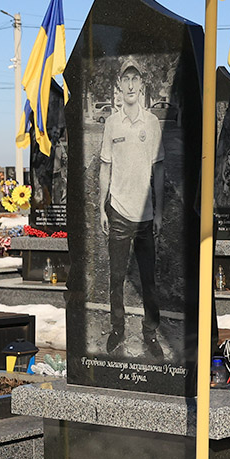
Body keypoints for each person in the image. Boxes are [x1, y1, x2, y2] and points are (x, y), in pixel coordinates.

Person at [98, 58, 164, 361]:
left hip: (146, 213)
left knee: (148, 279)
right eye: (125, 79)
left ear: (142, 85)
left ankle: (150, 333)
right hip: (118, 211)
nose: (130, 85)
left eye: (135, 79)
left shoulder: (151, 123)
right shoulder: (112, 123)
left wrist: (160, 211)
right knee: (116, 277)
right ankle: (117, 329)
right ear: (118, 85)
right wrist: (102, 207)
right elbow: (105, 168)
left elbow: (159, 169)